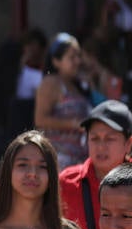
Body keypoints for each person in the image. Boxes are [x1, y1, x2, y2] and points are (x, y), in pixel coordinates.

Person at [59, 99, 132, 229]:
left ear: (129, 143)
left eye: (110, 139)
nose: (101, 146)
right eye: (94, 138)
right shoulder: (66, 182)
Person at [34, 32, 95, 170]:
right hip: (61, 161)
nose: (78, 61)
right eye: (72, 57)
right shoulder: (51, 83)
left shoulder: (79, 84)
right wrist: (74, 124)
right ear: (56, 61)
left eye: (79, 56)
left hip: (81, 160)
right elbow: (40, 120)